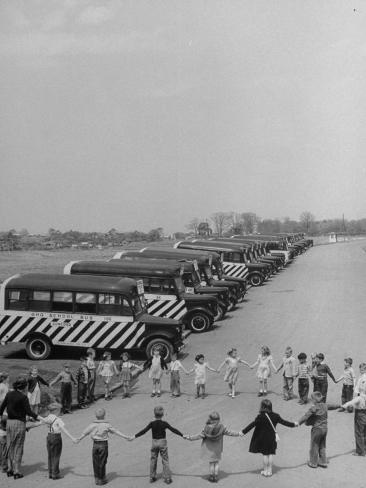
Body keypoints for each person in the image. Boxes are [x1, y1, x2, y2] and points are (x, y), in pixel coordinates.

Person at [241, 399, 298, 477]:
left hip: (263, 438)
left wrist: (243, 432)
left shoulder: (260, 417)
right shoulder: (276, 416)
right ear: (270, 406)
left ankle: (265, 471)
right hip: (272, 437)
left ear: (262, 407)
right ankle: (270, 471)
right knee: (271, 454)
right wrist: (294, 424)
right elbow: (285, 422)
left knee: (265, 455)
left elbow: (252, 425)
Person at [76, 407, 130, 485]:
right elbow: (115, 431)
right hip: (103, 445)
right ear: (104, 415)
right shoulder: (106, 425)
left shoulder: (92, 425)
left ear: (95, 416)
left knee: (95, 462)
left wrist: (78, 439)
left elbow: (85, 433)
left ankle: (97, 478)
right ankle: (102, 479)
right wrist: (125, 436)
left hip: (95, 445)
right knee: (102, 462)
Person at [131, 405, 184, 484]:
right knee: (165, 460)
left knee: (153, 459)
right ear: (162, 414)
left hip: (154, 442)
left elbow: (144, 431)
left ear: (154, 414)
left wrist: (134, 436)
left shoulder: (152, 423)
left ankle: (152, 477)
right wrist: (182, 435)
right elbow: (173, 430)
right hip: (162, 442)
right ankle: (167, 478)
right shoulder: (164, 423)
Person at [0, 376, 41, 479]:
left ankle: (9, 469)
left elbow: (1, 409)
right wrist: (39, 417)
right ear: (24, 387)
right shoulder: (23, 397)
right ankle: (16, 471)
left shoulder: (9, 394)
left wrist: (2, 419)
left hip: (9, 423)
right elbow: (29, 412)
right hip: (19, 424)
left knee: (10, 446)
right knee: (18, 447)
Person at [185, 411, 243, 482]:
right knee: (216, 462)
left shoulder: (206, 429)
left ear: (210, 419)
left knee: (211, 463)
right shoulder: (222, 428)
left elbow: (198, 436)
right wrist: (238, 433)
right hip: (217, 449)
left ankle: (211, 476)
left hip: (209, 449)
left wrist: (189, 437)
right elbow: (230, 433)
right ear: (218, 419)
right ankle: (216, 476)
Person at [27, 402, 77, 480]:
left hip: (49, 437)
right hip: (56, 437)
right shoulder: (58, 419)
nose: (60, 412)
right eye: (60, 410)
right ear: (56, 410)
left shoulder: (48, 417)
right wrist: (72, 438)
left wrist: (29, 427)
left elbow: (38, 423)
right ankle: (55, 474)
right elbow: (64, 430)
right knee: (56, 456)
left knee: (50, 455)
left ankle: (51, 472)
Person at [298, 391, 339, 468]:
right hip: (325, 429)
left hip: (317, 429)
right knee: (322, 445)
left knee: (314, 445)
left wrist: (298, 422)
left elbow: (306, 416)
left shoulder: (314, 408)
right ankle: (323, 461)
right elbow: (333, 406)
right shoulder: (325, 405)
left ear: (314, 399)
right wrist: (340, 405)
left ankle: (313, 463)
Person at [341, 392, 366, 456]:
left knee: (359, 432)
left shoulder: (359, 398)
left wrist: (343, 406)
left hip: (360, 414)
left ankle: (360, 451)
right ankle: (364, 448)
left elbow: (351, 403)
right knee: (364, 432)